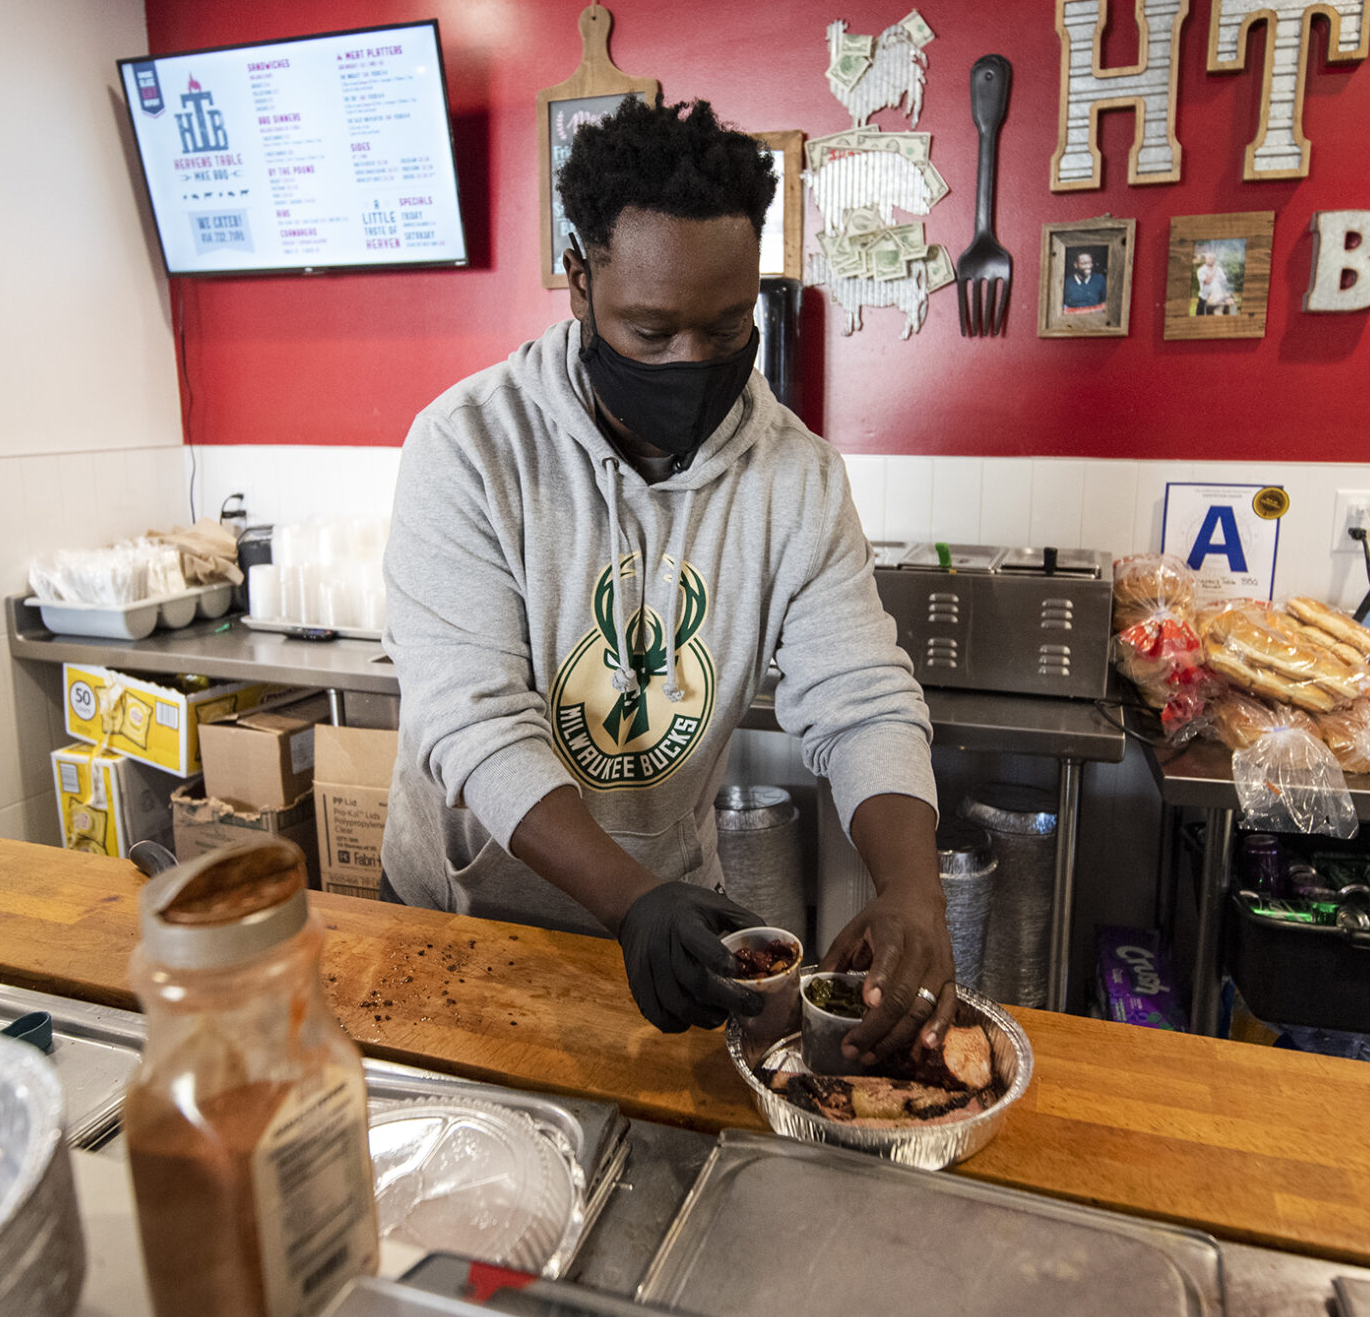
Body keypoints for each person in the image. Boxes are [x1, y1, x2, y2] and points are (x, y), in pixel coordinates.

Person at [380, 97, 955, 1064]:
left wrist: (912, 887)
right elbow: (472, 722)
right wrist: (627, 899)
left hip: (674, 917)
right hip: (469, 916)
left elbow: (859, 699)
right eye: (651, 334)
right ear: (578, 280)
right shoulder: (470, 446)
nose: (691, 366)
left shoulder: (794, 476)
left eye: (728, 331)